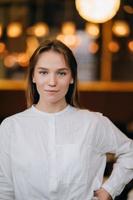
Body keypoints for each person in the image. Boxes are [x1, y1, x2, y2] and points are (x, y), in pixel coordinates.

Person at [0, 39, 133, 200]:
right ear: (33, 76)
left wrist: (109, 190)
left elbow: (130, 151)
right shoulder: (11, 127)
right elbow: (4, 188)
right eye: (43, 72)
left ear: (72, 78)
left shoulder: (92, 123)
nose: (52, 82)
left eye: (61, 73)